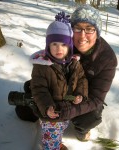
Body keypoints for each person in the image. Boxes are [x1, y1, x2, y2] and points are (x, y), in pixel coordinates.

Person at [55, 4, 118, 141]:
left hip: (84, 98)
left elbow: (96, 99)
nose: (82, 36)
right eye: (78, 28)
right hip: (61, 89)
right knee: (25, 107)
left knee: (91, 116)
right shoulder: (63, 44)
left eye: (89, 29)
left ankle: (81, 131)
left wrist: (67, 110)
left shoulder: (107, 59)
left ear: (97, 32)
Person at [30, 12, 88, 150]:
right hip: (51, 111)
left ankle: (56, 142)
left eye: (63, 44)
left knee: (61, 127)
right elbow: (39, 89)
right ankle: (52, 146)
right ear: (48, 45)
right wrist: (47, 107)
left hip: (66, 108)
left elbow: (81, 79)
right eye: (54, 44)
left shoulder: (74, 63)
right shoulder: (42, 66)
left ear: (69, 46)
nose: (59, 49)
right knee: (52, 133)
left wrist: (80, 94)